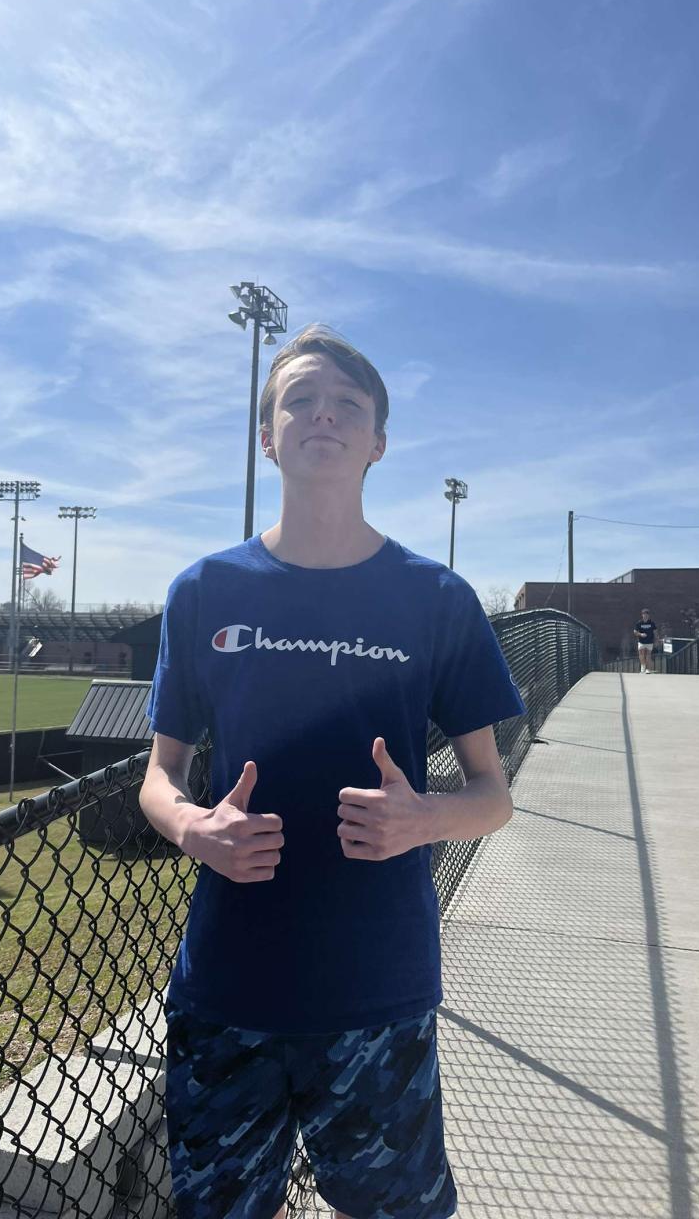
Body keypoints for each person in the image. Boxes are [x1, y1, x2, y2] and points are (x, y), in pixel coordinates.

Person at [138, 325, 526, 1219]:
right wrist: (194, 826)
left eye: (348, 404)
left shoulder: (436, 598)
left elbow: (493, 797)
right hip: (228, 985)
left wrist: (425, 819)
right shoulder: (203, 591)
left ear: (378, 442)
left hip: (377, 987)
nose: (324, 415)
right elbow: (159, 777)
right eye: (301, 400)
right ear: (267, 437)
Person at [633, 608, 658, 673]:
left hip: (649, 641)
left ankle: (648, 669)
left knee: (648, 655)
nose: (645, 616)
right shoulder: (639, 623)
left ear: (648, 615)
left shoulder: (652, 623)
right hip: (641, 642)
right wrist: (640, 634)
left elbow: (655, 632)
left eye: (647, 614)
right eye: (644, 614)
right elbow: (635, 632)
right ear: (642, 615)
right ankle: (643, 667)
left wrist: (656, 640)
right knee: (641, 654)